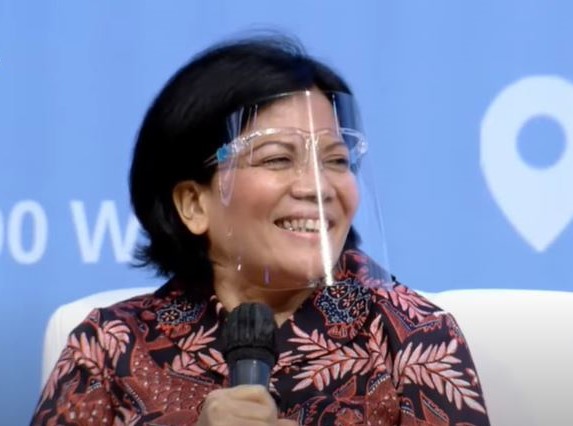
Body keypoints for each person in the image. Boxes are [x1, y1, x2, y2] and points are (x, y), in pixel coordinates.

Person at [31, 35, 490, 425]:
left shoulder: (412, 337)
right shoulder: (110, 347)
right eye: (277, 159)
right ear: (193, 204)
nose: (318, 187)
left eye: (336, 160)